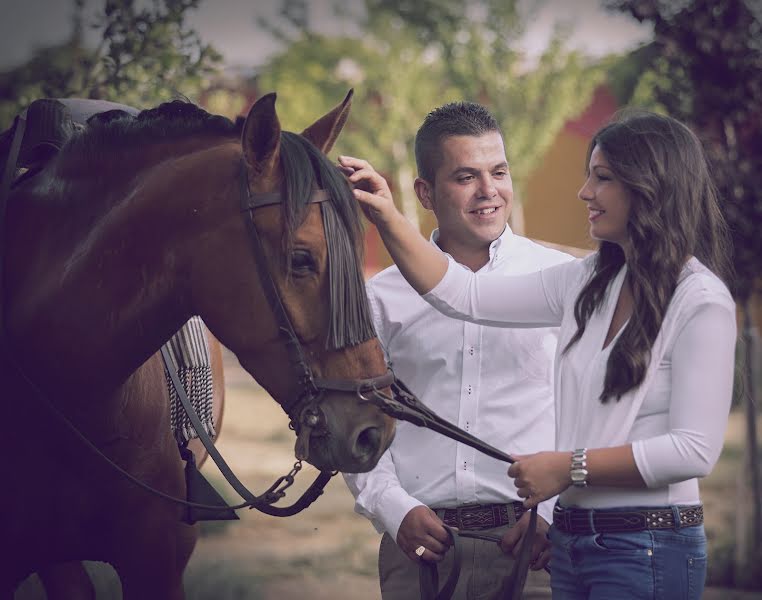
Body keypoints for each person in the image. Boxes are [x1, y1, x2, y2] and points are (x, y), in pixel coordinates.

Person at [341, 109, 736, 600]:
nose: (584, 191)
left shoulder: (701, 300)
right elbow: (466, 296)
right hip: (576, 543)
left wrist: (566, 469)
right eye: (589, 175)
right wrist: (386, 214)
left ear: (649, 188)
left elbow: (695, 450)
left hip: (643, 542)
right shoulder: (587, 282)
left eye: (602, 177)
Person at [342, 102, 573, 600]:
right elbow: (358, 415)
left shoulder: (561, 282)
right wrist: (393, 508)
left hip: (534, 550)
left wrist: (554, 514)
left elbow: (588, 414)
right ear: (425, 192)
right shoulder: (381, 297)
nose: (489, 192)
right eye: (466, 176)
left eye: (499, 172)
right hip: (420, 551)